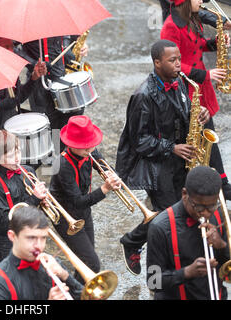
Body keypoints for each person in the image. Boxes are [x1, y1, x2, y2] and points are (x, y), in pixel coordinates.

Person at [115, 40, 211, 276]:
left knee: (178, 211)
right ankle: (136, 245)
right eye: (172, 60)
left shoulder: (178, 82)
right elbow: (139, 140)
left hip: (178, 161)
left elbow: (182, 114)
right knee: (169, 214)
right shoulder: (142, 95)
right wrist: (172, 148)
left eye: (179, 58)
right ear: (157, 63)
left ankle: (164, 253)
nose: (179, 64)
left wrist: (198, 116)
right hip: (156, 164)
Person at [160, 0, 231, 200]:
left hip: (199, 88)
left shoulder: (192, 19)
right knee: (197, 137)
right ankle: (217, 184)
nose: (201, 0)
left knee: (207, 135)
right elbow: (172, 64)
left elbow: (198, 46)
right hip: (187, 89)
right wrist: (205, 74)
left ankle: (220, 183)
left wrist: (216, 43)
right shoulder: (170, 27)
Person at [49, 115, 121, 283]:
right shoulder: (62, 165)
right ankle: (75, 291)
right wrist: (105, 189)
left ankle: (77, 291)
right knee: (92, 263)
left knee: (86, 261)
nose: (90, 151)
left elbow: (102, 165)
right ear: (71, 144)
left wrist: (110, 173)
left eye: (91, 146)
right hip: (67, 216)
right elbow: (78, 201)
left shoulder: (89, 149)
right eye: (85, 148)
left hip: (83, 211)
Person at [146, 166, 229, 300]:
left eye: (212, 206)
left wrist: (222, 245)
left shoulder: (219, 214)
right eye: (200, 207)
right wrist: (187, 272)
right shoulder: (160, 228)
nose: (207, 213)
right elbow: (153, 282)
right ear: (184, 194)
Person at [0, 203, 83, 300]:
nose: (39, 246)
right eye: (31, 238)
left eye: (43, 238)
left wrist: (65, 275)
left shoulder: (53, 264)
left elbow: (85, 296)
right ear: (12, 236)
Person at [0, 129, 47, 263]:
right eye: (11, 155)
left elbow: (35, 206)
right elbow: (2, 223)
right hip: (9, 243)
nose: (17, 157)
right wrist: (34, 199)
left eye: (18, 150)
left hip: (30, 232)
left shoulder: (28, 171)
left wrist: (43, 202)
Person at [18, 36, 88, 149]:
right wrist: (34, 64)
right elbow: (13, 50)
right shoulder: (24, 22)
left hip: (61, 76)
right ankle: (53, 160)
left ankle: (63, 159)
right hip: (39, 82)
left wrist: (74, 46)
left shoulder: (57, 19)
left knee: (70, 120)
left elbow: (69, 35)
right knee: (48, 126)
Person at [158, 0, 231, 29]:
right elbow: (185, 7)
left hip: (190, 22)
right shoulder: (171, 26)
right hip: (177, 23)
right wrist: (219, 20)